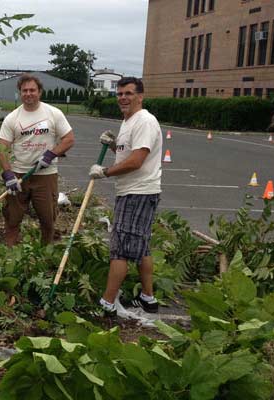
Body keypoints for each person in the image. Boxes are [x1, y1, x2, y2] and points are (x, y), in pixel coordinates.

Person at [88, 76, 162, 316]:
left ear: (140, 96)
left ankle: (107, 303)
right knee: (141, 247)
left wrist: (105, 172)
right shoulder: (129, 121)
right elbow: (129, 153)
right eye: (119, 94)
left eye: (128, 94)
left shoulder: (144, 121)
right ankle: (148, 298)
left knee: (119, 248)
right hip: (133, 191)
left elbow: (137, 160)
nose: (123, 98)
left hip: (137, 192)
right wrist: (113, 146)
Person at [0, 74, 75, 246]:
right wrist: (8, 174)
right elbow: (2, 148)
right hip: (19, 175)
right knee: (12, 219)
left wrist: (51, 154)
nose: (28, 93)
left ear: (39, 92)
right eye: (25, 90)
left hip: (46, 175)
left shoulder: (53, 113)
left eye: (32, 90)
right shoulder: (12, 118)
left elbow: (69, 138)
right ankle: (10, 254)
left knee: (47, 220)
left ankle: (45, 252)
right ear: (20, 93)